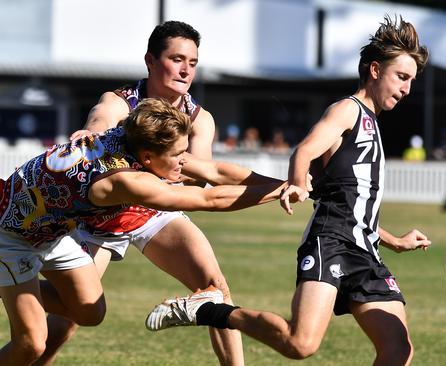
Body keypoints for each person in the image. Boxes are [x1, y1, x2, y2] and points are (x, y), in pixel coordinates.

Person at [145, 15, 431, 364]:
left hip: (364, 248)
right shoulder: (347, 111)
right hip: (333, 242)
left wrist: (395, 240)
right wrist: (297, 181)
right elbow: (305, 151)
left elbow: (353, 206)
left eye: (411, 81)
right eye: (401, 77)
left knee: (398, 348)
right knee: (300, 344)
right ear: (375, 70)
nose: (406, 88)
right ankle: (210, 310)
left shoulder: (372, 122)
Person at [0, 98, 292, 365]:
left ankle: (10, 286)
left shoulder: (132, 139)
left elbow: (216, 173)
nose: (184, 161)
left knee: (90, 312)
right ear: (149, 157)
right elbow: (209, 199)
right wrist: (279, 191)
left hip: (52, 231)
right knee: (31, 345)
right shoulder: (123, 180)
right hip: (11, 235)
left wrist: (288, 183)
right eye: (178, 154)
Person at [46, 21, 246, 365]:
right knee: (72, 316)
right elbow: (100, 120)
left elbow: (201, 178)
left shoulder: (200, 120)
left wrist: (175, 183)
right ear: (151, 61)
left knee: (216, 289)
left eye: (193, 63)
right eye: (177, 59)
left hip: (154, 210)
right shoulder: (121, 102)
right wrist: (90, 132)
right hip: (101, 216)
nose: (186, 70)